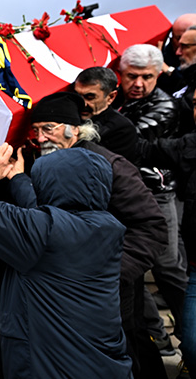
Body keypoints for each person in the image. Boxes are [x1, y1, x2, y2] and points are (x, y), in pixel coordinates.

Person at [0, 143, 131, 377]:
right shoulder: (105, 227)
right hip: (97, 362)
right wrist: (18, 178)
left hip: (50, 366)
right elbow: (46, 213)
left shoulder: (44, 231)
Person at [29, 91, 168, 378]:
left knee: (124, 355)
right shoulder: (39, 165)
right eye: (36, 130)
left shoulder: (110, 165)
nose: (41, 138)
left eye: (48, 129)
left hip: (111, 292)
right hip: (64, 291)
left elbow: (151, 227)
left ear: (74, 128)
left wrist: (109, 272)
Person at [117, 44, 186, 352]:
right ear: (121, 74)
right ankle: (156, 337)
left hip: (158, 193)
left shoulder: (165, 106)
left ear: (159, 74)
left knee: (168, 267)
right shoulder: (117, 100)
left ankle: (189, 335)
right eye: (132, 76)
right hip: (124, 193)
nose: (139, 84)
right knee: (127, 268)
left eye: (147, 77)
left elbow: (127, 137)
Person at [74, 66, 139, 164]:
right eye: (78, 96)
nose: (82, 103)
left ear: (111, 97)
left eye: (90, 97)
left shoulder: (122, 129)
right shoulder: (67, 116)